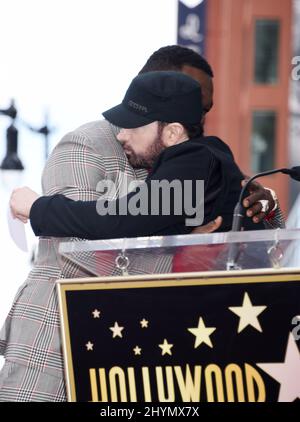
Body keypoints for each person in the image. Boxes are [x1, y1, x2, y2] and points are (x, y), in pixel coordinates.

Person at [0, 46, 283, 403]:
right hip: (56, 344)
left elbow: (258, 247)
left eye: (204, 109)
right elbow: (78, 255)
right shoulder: (84, 146)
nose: (200, 117)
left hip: (138, 354)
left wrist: (267, 208)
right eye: (191, 98)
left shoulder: (196, 158)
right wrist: (183, 243)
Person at [11, 71, 268, 239]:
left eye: (132, 125)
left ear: (172, 133)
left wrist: (38, 207)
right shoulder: (206, 160)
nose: (121, 135)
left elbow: (121, 219)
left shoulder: (195, 159)